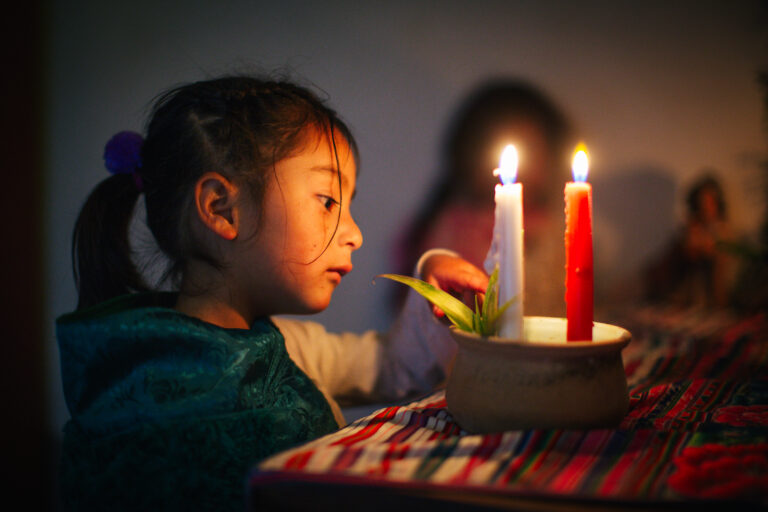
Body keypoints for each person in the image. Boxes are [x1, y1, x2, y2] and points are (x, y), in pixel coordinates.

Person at [57, 75, 488, 511]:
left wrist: (432, 278)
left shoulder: (292, 349)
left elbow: (389, 364)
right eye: (327, 202)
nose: (355, 234)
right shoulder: (136, 389)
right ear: (223, 209)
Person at [394, 79, 573, 317]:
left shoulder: (554, 226)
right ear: (469, 154)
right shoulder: (455, 229)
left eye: (533, 151)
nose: (522, 172)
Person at [644, 172, 737, 309]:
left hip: (711, 290)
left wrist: (702, 244)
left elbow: (714, 251)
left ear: (717, 202)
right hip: (683, 286)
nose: (706, 207)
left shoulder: (723, 227)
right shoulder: (692, 225)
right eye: (702, 202)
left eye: (710, 201)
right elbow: (688, 248)